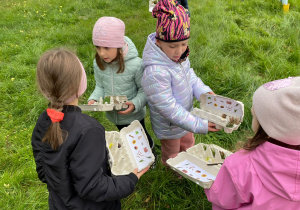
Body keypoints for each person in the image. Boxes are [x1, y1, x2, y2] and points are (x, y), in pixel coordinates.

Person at [32, 49, 149, 209]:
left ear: (44, 89)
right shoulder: (89, 130)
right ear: (80, 84)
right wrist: (129, 180)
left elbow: (43, 171)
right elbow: (92, 187)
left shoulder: (44, 120)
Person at [141, 0, 219, 167]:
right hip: (170, 126)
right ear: (159, 42)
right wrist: (198, 124)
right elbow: (168, 108)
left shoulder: (180, 58)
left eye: (184, 44)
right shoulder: (155, 72)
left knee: (188, 144)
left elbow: (190, 77)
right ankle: (175, 177)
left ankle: (189, 163)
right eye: (173, 46)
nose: (179, 51)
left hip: (186, 116)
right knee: (172, 153)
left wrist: (203, 93)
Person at [205, 77, 300, 209]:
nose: (251, 113)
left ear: (267, 127)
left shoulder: (240, 166)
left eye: (255, 114)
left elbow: (221, 199)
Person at [88, 17, 154, 150]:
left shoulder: (136, 65)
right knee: (126, 136)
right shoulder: (98, 63)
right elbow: (100, 85)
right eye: (97, 47)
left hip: (134, 114)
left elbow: (145, 90)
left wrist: (135, 104)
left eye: (107, 47)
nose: (101, 53)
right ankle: (134, 153)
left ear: (119, 45)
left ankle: (150, 151)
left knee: (141, 138)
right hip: (114, 115)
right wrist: (94, 98)